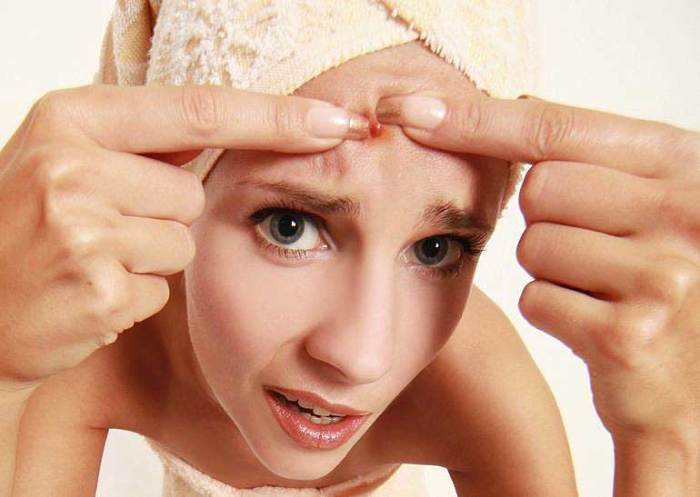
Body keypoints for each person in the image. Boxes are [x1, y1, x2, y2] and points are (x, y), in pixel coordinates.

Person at [1, 2, 699, 497]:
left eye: (437, 247)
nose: (363, 357)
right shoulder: (85, 336)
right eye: (291, 226)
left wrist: (671, 437)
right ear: (176, 177)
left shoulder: (476, 382)